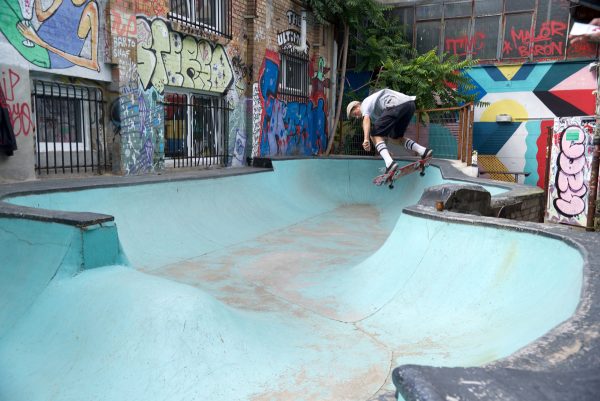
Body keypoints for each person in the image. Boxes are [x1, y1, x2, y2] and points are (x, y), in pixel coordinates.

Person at [347, 88, 432, 176]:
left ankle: (389, 163)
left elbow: (366, 120)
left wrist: (366, 139)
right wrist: (385, 152)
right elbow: (380, 135)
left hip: (395, 106)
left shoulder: (365, 103)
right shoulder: (375, 113)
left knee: (374, 133)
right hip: (409, 105)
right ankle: (423, 151)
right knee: (395, 138)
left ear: (357, 106)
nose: (357, 117)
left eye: (355, 114)